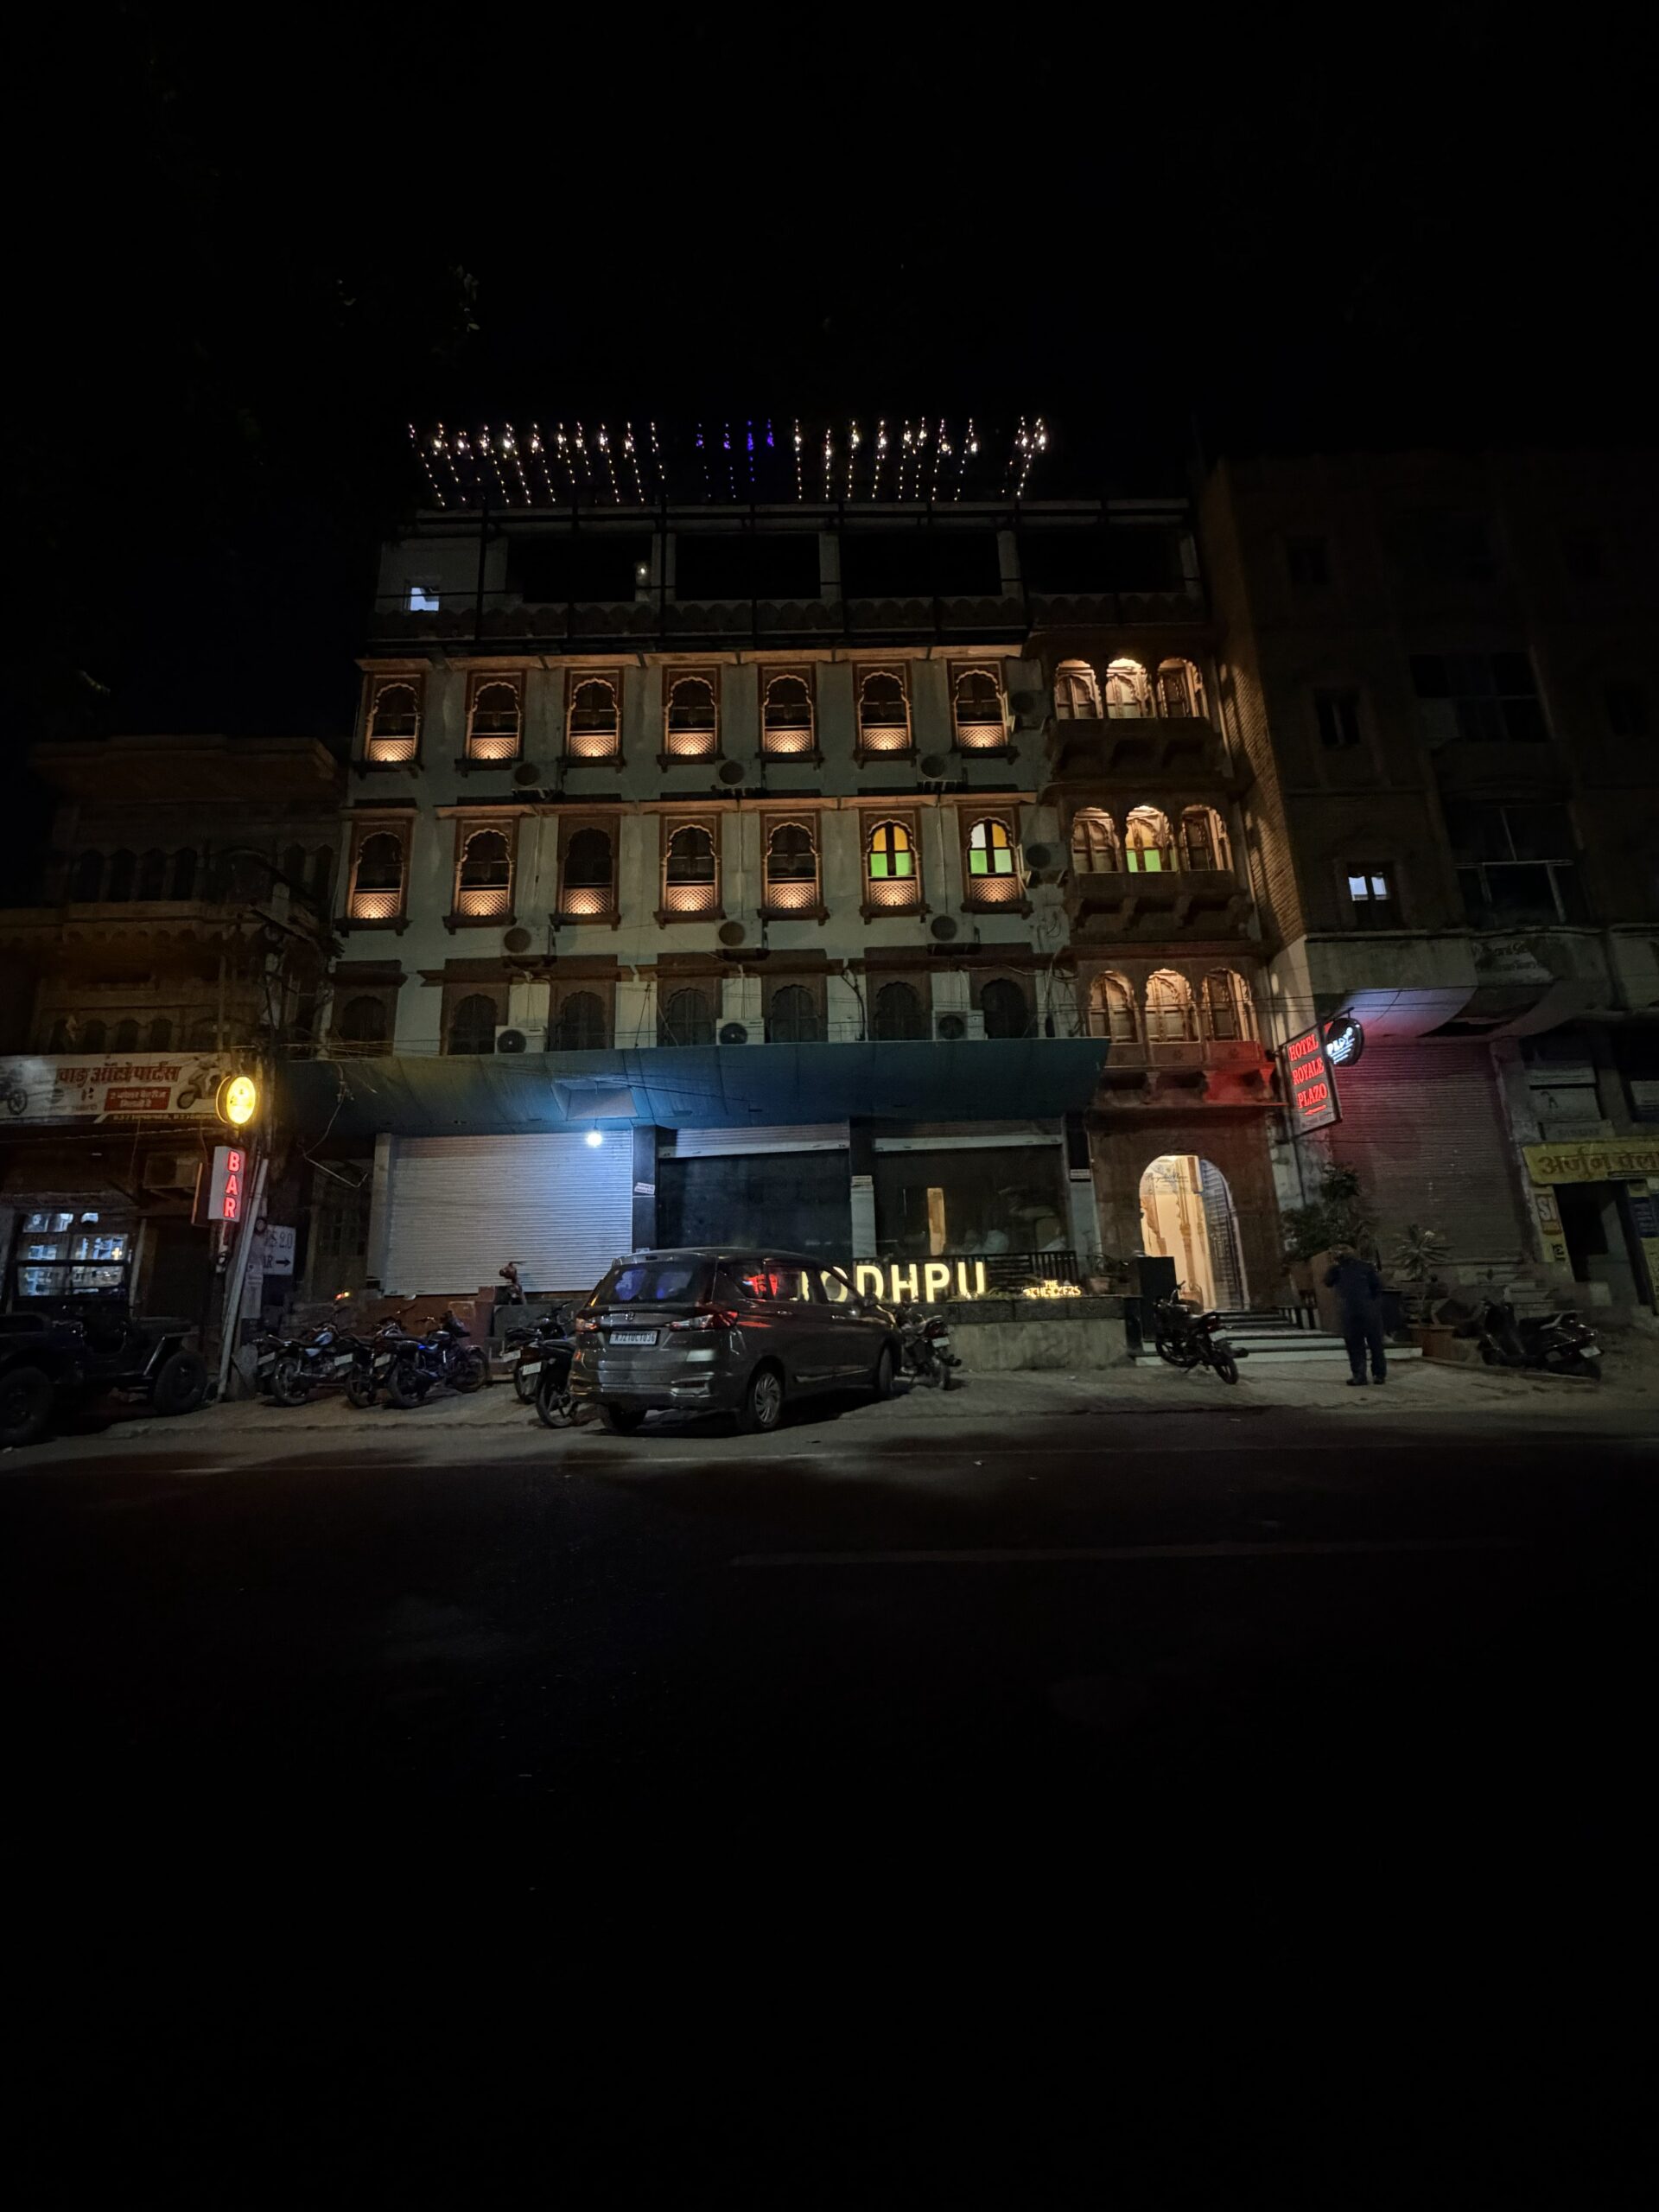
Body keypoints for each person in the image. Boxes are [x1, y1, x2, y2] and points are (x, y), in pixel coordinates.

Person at [1325, 1244, 1386, 1385]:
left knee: (1355, 1345)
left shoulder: (1337, 1269)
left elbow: (1327, 1282)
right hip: (1369, 1310)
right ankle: (1379, 1375)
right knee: (1375, 1344)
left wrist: (1332, 1265)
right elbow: (1377, 1287)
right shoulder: (1367, 1267)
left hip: (1350, 1311)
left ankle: (1360, 1376)